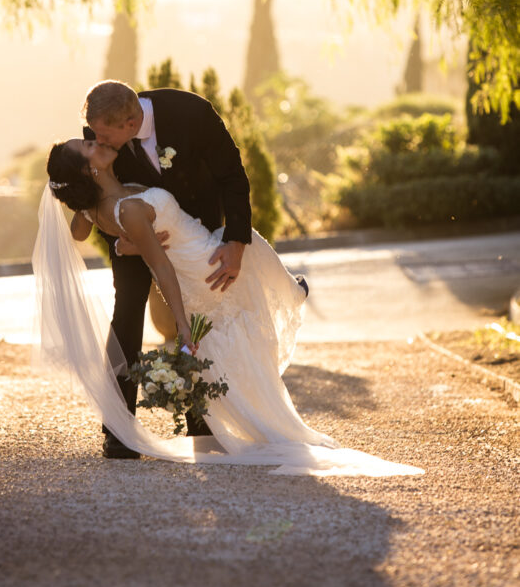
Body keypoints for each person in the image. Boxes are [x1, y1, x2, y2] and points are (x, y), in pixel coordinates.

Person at [34, 135, 423, 477]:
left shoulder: (99, 208)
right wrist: (181, 327)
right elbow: (162, 270)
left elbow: (82, 231)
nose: (96, 141)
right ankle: (292, 292)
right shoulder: (128, 209)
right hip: (201, 264)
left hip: (191, 261)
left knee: (233, 324)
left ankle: (286, 298)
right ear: (87, 170)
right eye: (86, 146)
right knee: (243, 242)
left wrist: (116, 235)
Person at [82, 80, 255, 458]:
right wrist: (121, 238)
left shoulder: (192, 113)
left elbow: (232, 175)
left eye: (102, 133)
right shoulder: (98, 133)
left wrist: (236, 242)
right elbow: (92, 201)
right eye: (93, 131)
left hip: (190, 229)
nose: (95, 139)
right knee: (126, 312)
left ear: (130, 123)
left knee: (197, 317)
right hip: (129, 231)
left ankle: (199, 418)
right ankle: (118, 428)